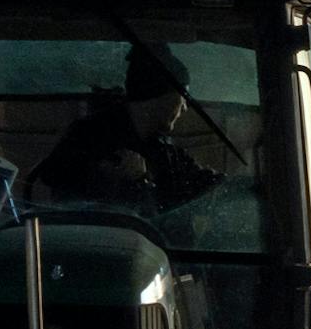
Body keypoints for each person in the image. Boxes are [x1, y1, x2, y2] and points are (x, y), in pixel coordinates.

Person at [30, 41, 222, 211]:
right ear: (159, 96)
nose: (185, 107)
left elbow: (202, 184)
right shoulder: (88, 136)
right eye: (183, 97)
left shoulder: (165, 151)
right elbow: (56, 181)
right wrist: (119, 179)